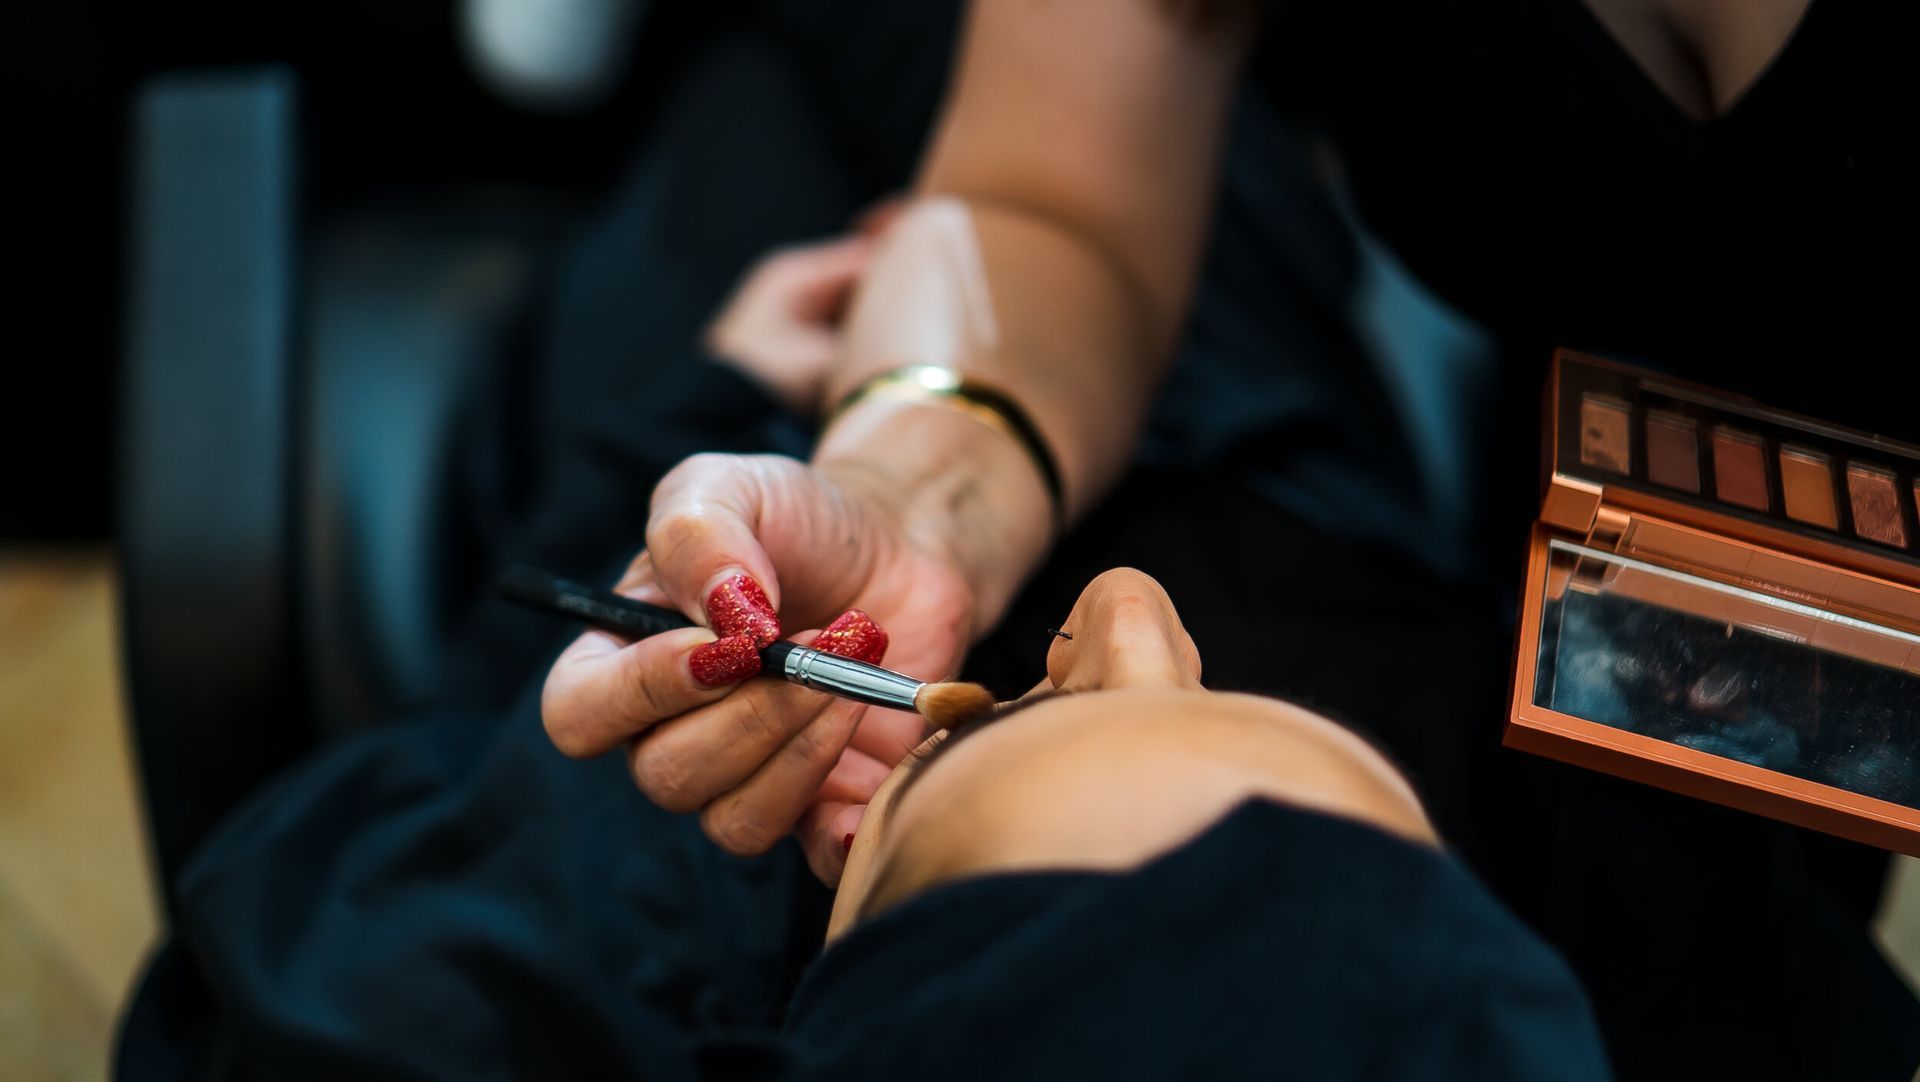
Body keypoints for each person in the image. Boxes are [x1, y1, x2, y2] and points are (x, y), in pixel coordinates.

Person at [545, 1, 1920, 1079]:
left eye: (991, 726)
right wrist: (923, 499)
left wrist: (870, 455)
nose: (1129, 608)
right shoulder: (1690, 956)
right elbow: (1055, 199)